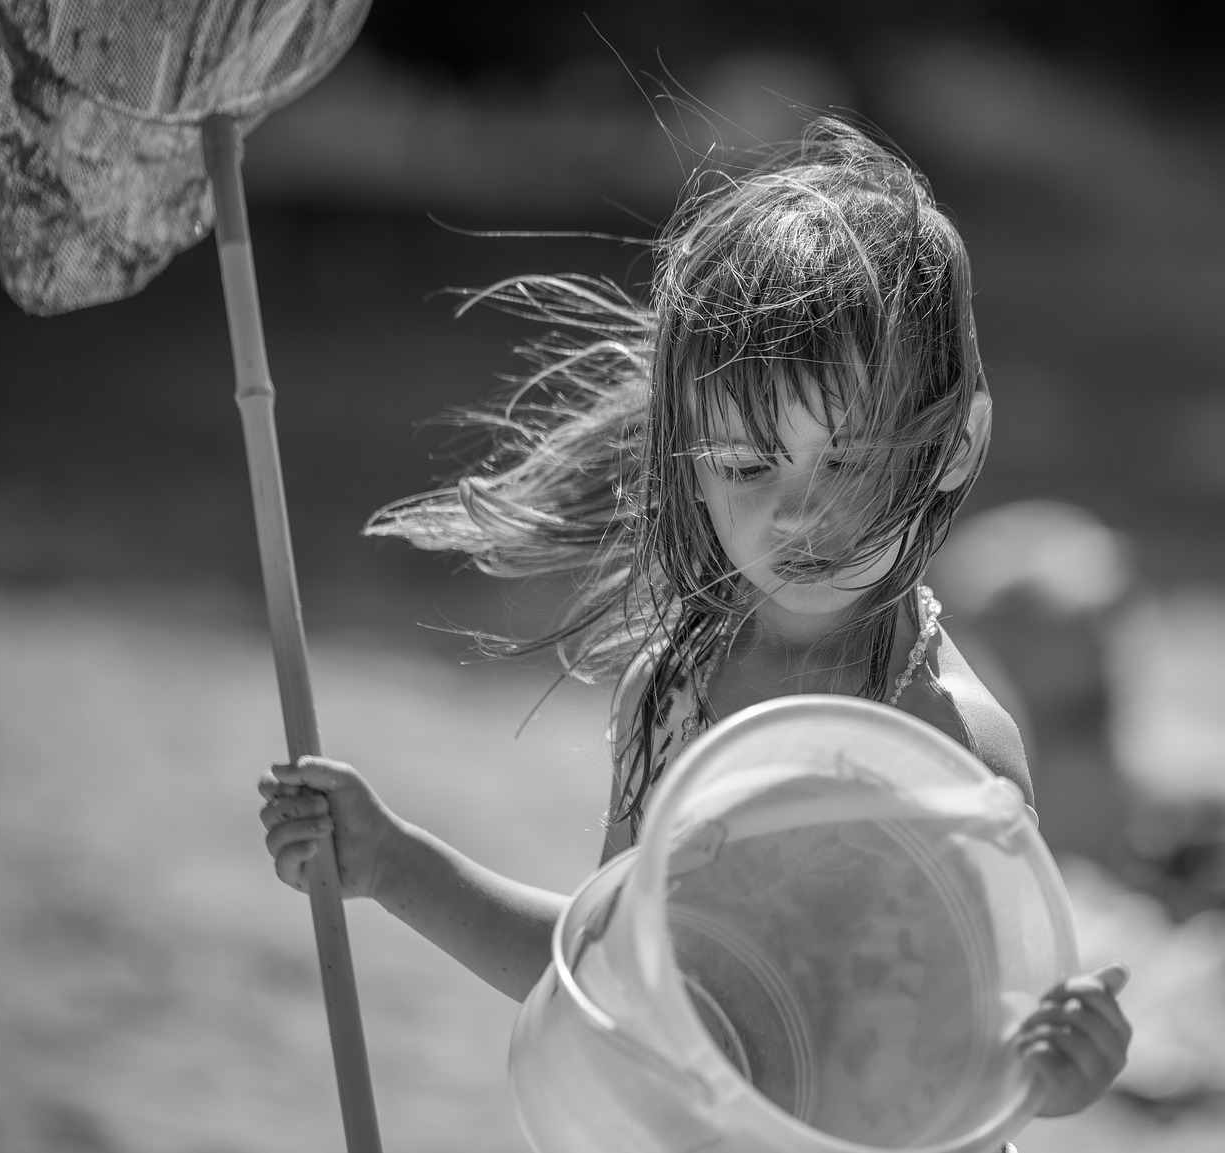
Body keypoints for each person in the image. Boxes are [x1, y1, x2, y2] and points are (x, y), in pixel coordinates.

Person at [258, 117, 1131, 1123]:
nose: (798, 511)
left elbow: (965, 1074)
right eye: (748, 465)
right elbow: (614, 974)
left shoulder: (946, 752)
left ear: (949, 447)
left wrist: (1052, 1072)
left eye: (844, 460)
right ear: (690, 463)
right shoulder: (671, 694)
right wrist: (392, 862)